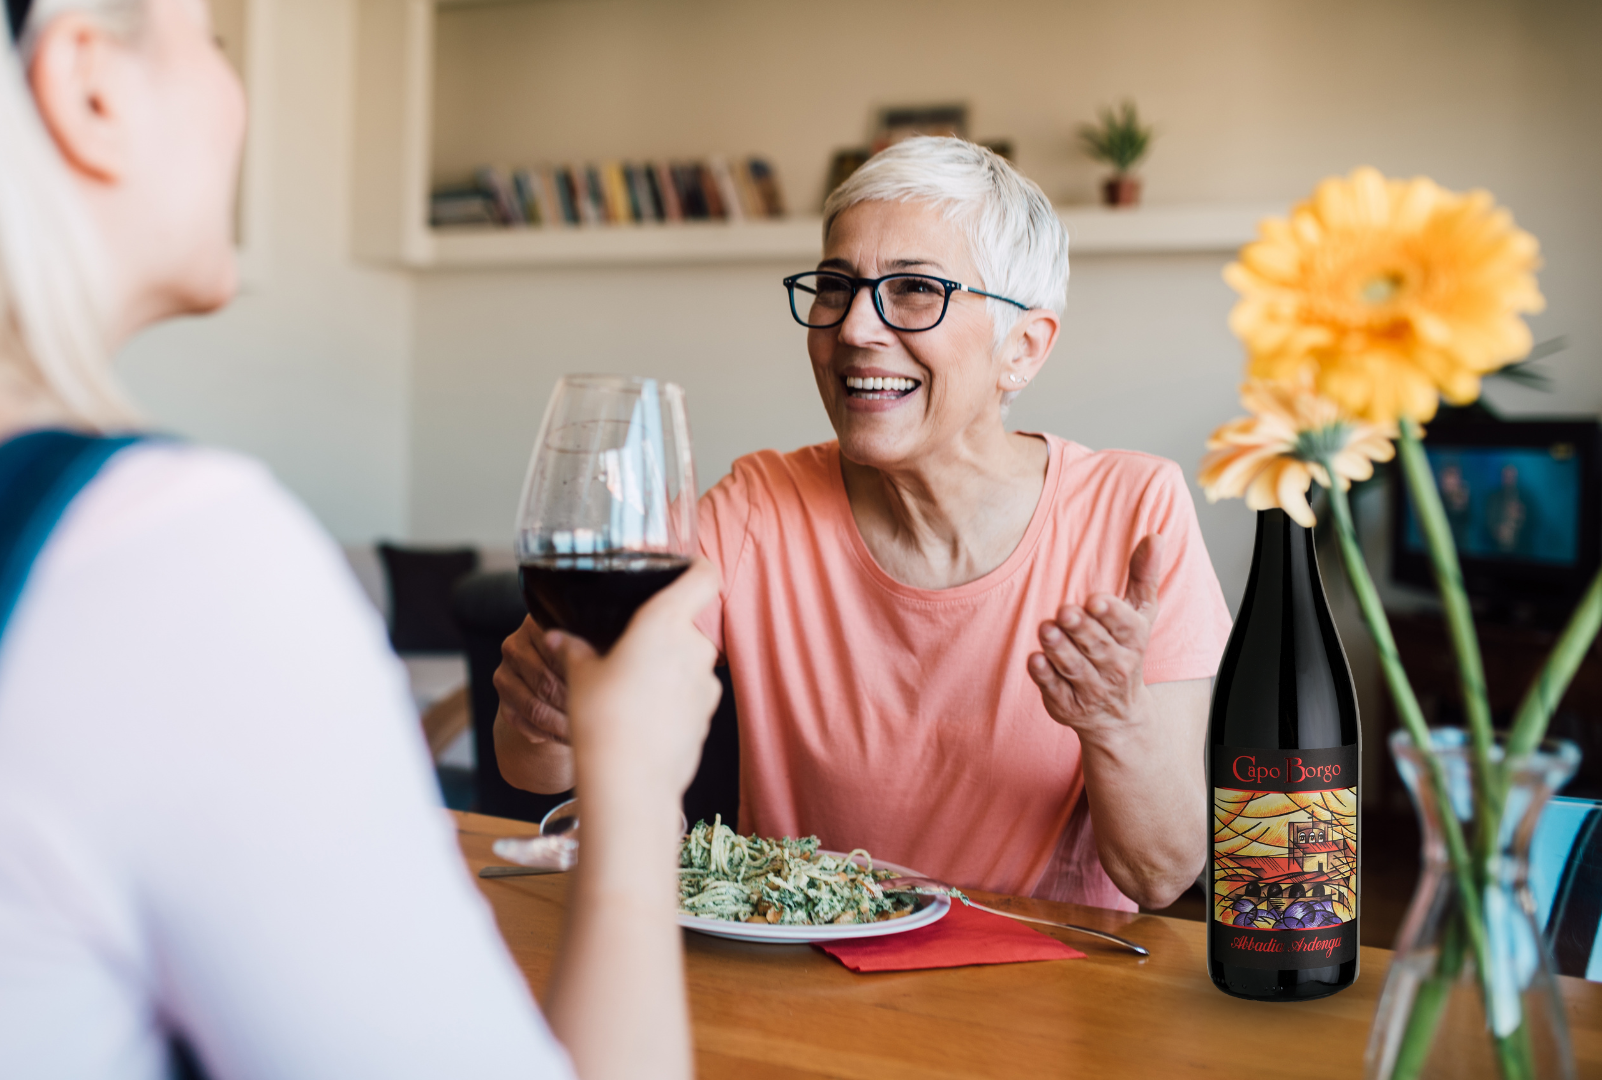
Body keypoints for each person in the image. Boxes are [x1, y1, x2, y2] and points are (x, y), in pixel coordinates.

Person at [0, 1, 718, 1078]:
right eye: (213, 46)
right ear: (91, 89)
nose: (237, 100)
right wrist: (637, 784)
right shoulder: (161, 571)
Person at [496, 137, 1234, 913]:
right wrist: (549, 708)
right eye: (836, 286)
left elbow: (1162, 874)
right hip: (803, 985)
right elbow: (536, 766)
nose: (854, 329)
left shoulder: (1132, 510)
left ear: (1022, 347)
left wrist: (1116, 723)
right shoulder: (758, 506)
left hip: (1039, 1001)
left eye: (916, 288)